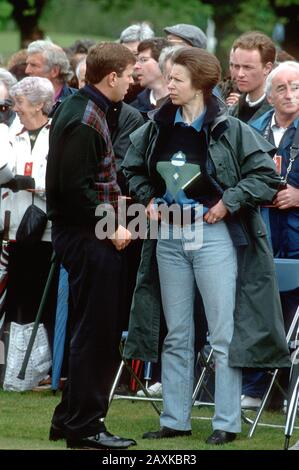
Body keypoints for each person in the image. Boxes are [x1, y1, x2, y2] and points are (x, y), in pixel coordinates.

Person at [122, 47, 290, 445]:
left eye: (176, 79)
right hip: (169, 236)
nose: (169, 85)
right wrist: (147, 198)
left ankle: (226, 423)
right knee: (177, 334)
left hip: (214, 237)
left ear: (199, 83)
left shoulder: (231, 129)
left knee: (222, 333)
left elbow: (265, 177)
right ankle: (175, 419)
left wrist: (226, 203)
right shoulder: (155, 125)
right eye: (168, 77)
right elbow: (130, 167)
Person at [45, 42, 137, 450]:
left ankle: (68, 419)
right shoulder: (85, 115)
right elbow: (73, 189)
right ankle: (86, 427)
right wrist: (113, 225)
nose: (133, 82)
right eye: (129, 75)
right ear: (112, 76)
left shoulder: (86, 106)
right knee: (95, 332)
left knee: (88, 327)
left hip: (82, 232)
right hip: (86, 234)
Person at [242, 61, 299, 407]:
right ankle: (256, 388)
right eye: (281, 88)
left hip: (296, 236)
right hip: (261, 233)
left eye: (296, 86)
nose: (290, 94)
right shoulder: (255, 127)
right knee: (261, 312)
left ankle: (293, 392)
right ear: (270, 94)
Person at [0, 76, 55, 345]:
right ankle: (13, 363)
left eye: (19, 102)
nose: (15, 108)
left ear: (39, 105)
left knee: (42, 299)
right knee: (16, 300)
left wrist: (39, 185)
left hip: (48, 230)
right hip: (13, 227)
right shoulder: (10, 133)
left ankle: (40, 364)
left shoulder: (57, 133)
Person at [229, 31, 276, 123]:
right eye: (236, 66)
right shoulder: (231, 111)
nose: (240, 74)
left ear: (267, 68)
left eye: (247, 67)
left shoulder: (279, 113)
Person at [25, 40, 75, 116]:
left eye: (33, 65)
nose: (27, 70)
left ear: (54, 71)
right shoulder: (21, 99)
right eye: (27, 64)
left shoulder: (76, 103)